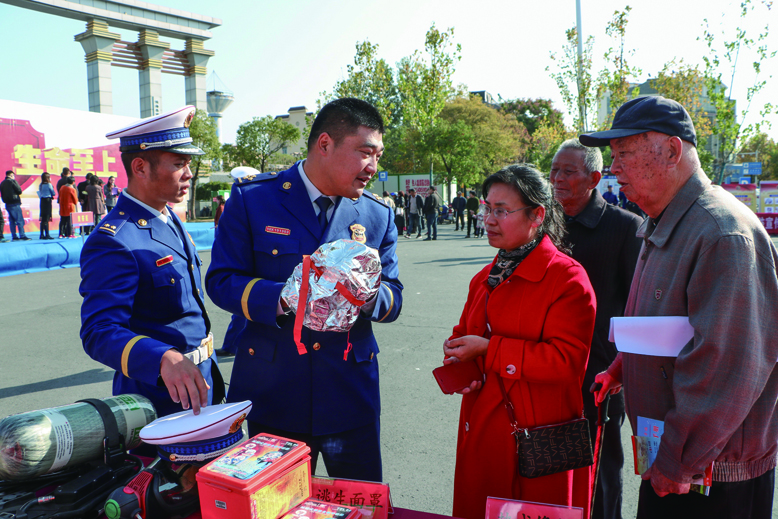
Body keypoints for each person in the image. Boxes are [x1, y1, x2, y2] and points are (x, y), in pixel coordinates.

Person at [586, 96, 778, 519]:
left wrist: (678, 458)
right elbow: (671, 325)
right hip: (675, 463)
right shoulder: (664, 221)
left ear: (672, 151)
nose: (613, 168)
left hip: (708, 475)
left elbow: (727, 365)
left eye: (623, 154)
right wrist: (625, 366)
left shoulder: (722, 233)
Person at [205, 97, 403, 482]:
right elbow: (222, 280)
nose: (373, 168)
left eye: (378, 156)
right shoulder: (253, 199)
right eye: (365, 153)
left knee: (361, 502)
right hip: (274, 391)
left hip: (349, 395)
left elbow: (393, 296)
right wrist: (282, 298)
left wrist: (364, 296)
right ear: (325, 144)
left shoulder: (377, 214)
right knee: (272, 505)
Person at [444, 164, 595, 519]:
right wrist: (458, 352)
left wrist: (488, 350)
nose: (489, 219)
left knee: (535, 508)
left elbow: (566, 360)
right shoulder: (486, 275)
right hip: (483, 429)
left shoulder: (567, 279)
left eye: (502, 210)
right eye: (486, 208)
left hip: (540, 437)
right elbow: (467, 329)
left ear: (536, 215)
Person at [79, 105, 223, 419]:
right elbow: (99, 330)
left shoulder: (168, 216)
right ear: (141, 168)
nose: (188, 174)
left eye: (188, 163)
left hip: (202, 382)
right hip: (158, 399)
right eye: (178, 164)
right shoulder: (114, 238)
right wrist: (161, 358)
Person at [550, 138, 643, 519]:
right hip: (547, 368)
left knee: (603, 471)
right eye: (553, 170)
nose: (556, 178)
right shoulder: (542, 222)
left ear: (594, 178)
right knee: (550, 465)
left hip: (601, 375)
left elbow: (639, 308)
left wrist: (624, 366)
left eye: (567, 172)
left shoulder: (626, 227)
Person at [1, 171, 30, 241]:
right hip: (15, 203)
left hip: (7, 204)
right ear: (11, 175)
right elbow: (19, 191)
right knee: (19, 220)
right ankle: (22, 235)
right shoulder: (13, 182)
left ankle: (14, 236)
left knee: (12, 221)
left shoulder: (2, 183)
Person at [37, 171, 57, 240]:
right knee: (47, 217)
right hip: (48, 200)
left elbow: (40, 192)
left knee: (43, 217)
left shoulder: (41, 185)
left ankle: (42, 235)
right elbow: (53, 193)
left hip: (42, 200)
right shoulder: (49, 184)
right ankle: (47, 234)